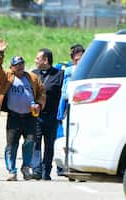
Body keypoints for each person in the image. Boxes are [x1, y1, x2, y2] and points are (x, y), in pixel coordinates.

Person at [0, 40, 46, 181]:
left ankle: (26, 167)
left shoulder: (32, 78)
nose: (20, 67)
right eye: (17, 65)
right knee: (11, 144)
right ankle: (12, 171)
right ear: (12, 67)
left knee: (30, 142)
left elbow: (42, 93)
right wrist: (0, 53)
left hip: (30, 117)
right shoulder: (7, 77)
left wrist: (39, 104)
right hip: (14, 117)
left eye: (22, 64)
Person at [31, 48, 64, 181]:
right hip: (36, 116)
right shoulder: (33, 74)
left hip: (51, 116)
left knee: (49, 144)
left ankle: (46, 171)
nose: (35, 60)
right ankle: (37, 170)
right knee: (35, 142)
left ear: (45, 60)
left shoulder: (59, 75)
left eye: (38, 58)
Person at [56, 44, 85, 176]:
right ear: (72, 59)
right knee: (63, 136)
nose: (79, 61)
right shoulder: (67, 69)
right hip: (67, 105)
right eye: (77, 59)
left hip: (81, 105)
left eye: (82, 58)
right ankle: (62, 165)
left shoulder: (86, 69)